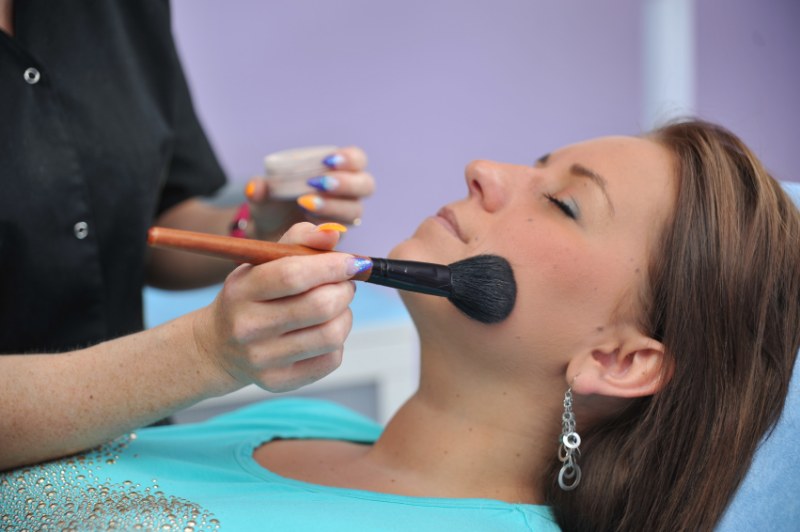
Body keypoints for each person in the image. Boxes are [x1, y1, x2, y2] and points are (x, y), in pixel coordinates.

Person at [2, 119, 797, 531]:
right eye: (536, 161)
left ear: (620, 360)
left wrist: (208, 353)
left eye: (562, 201)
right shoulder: (299, 424)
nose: (484, 170)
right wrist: (203, 353)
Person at [0, 0, 374, 469]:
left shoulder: (119, 12)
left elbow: (151, 224)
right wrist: (203, 351)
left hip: (139, 453)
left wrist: (258, 229)